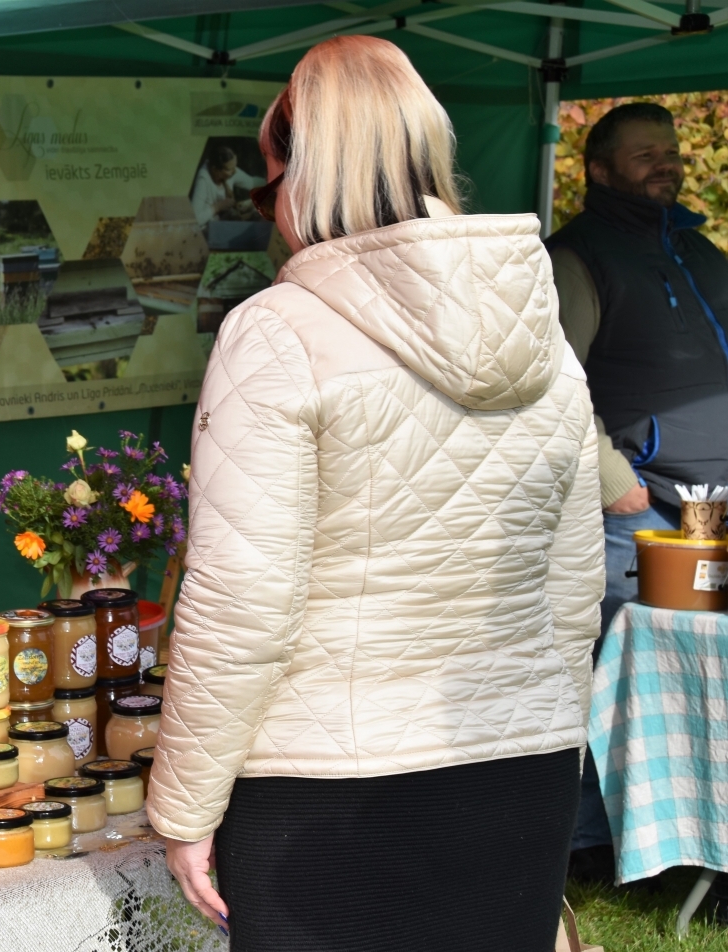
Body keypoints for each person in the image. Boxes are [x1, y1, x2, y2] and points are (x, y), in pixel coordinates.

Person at [147, 35, 603, 952]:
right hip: (521, 772)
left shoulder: (274, 334)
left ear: (303, 176)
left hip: (329, 789)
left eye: (268, 184)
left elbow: (243, 603)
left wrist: (183, 804)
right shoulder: (540, 332)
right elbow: (572, 583)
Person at [546, 102, 728, 871]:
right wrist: (609, 478)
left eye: (671, 152)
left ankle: (698, 832)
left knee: (703, 673)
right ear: (597, 169)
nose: (666, 165)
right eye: (645, 154)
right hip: (638, 506)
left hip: (711, 505)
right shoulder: (575, 254)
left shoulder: (698, 246)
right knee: (613, 674)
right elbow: (553, 381)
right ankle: (590, 842)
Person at [190, 144, 264, 226]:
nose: (235, 172)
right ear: (215, 170)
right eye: (229, 169)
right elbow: (194, 220)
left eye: (234, 167)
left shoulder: (231, 171)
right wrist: (217, 207)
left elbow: (252, 182)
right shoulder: (203, 180)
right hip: (208, 230)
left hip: (225, 224)